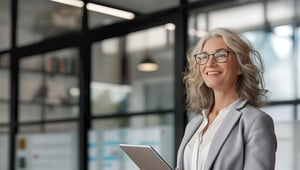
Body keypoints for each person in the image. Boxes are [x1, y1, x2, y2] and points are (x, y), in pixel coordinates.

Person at [176, 28, 277, 170]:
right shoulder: (195, 124)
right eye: (204, 57)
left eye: (220, 55)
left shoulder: (256, 122)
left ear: (240, 67)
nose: (209, 63)